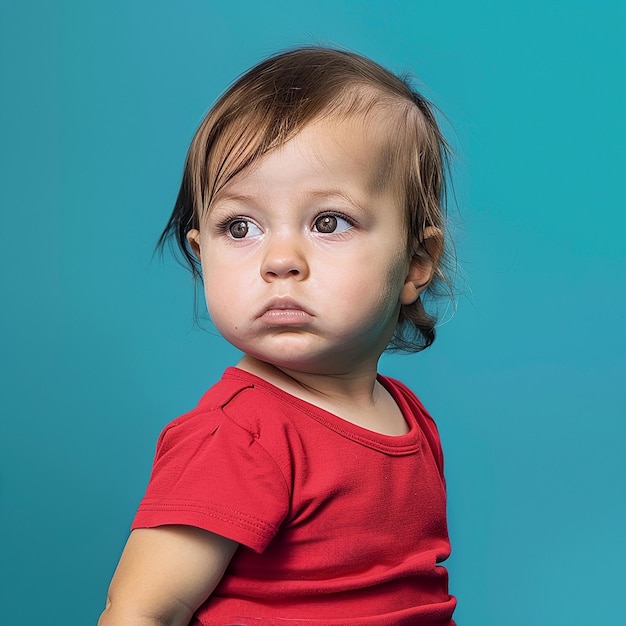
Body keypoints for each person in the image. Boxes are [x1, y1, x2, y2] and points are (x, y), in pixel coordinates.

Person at [98, 46, 457, 626]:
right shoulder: (237, 436)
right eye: (240, 227)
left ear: (416, 260)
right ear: (202, 253)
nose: (280, 260)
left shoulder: (409, 418)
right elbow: (141, 611)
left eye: (328, 222)